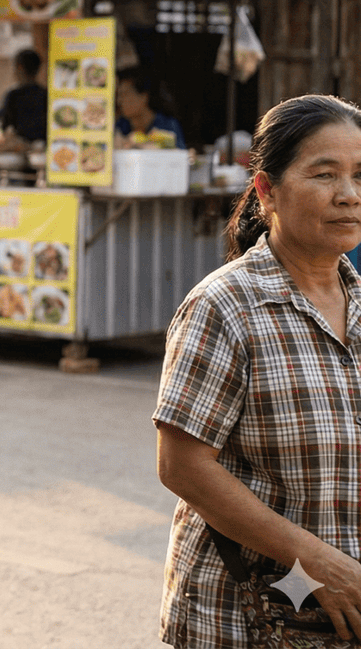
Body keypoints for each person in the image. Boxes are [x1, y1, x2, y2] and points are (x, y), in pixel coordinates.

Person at [154, 94, 361, 648]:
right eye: (325, 175)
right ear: (266, 190)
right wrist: (317, 564)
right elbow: (183, 467)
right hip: (249, 620)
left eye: (360, 176)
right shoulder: (226, 306)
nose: (349, 195)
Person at [0, 48, 47, 142]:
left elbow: (2, 126)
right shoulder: (45, 95)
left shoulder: (14, 96)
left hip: (18, 148)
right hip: (42, 147)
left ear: (19, 67)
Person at [115, 68, 184, 149]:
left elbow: (180, 154)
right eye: (119, 95)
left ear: (144, 97)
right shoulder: (120, 127)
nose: (119, 101)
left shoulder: (168, 126)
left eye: (125, 94)